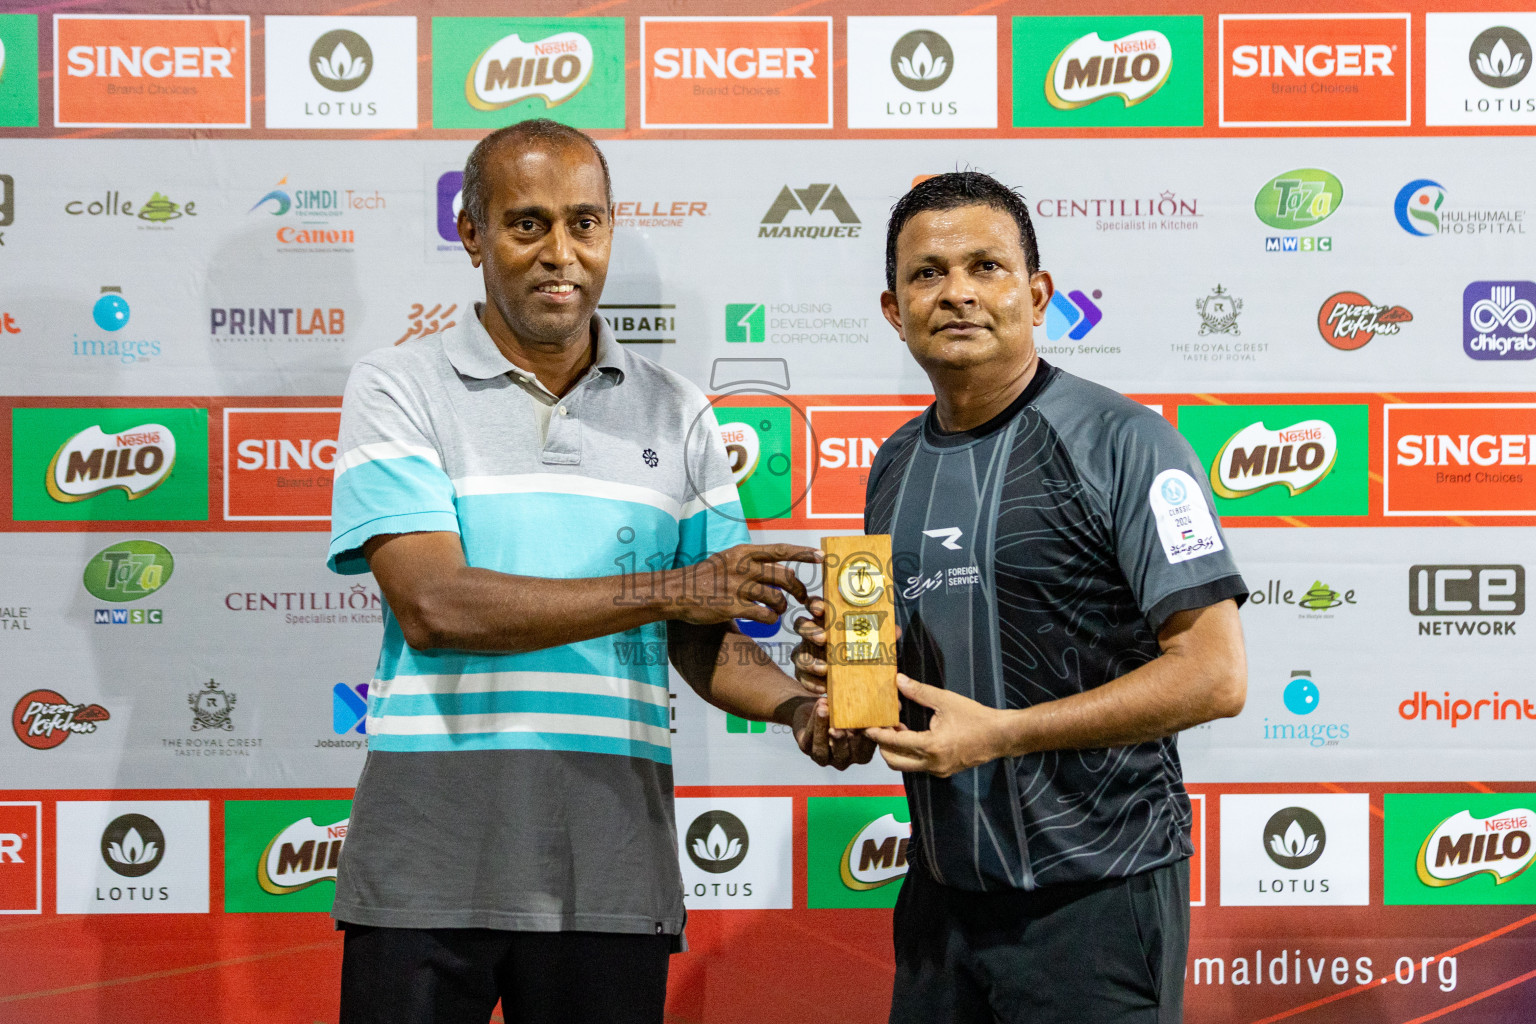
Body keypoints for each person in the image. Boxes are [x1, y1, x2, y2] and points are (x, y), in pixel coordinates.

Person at [326, 119, 867, 1024]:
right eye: (526, 224)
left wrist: (803, 710)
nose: (560, 254)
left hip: (612, 867)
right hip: (428, 864)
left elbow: (707, 643)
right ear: (470, 232)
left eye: (586, 223)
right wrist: (671, 589)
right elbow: (434, 604)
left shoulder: (680, 412)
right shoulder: (399, 385)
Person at [792, 171, 1249, 1023]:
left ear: (1036, 295)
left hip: (1096, 898)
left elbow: (1214, 676)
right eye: (926, 273)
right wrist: (845, 696)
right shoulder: (893, 467)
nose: (957, 292)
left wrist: (1003, 737)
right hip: (940, 900)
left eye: (985, 267)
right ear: (894, 311)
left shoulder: (1125, 442)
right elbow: (909, 677)